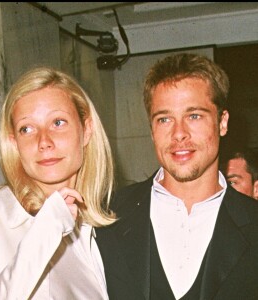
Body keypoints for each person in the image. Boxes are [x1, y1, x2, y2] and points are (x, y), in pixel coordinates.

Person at [95, 53, 258, 300]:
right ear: (152, 130)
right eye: (164, 119)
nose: (179, 133)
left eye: (194, 116)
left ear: (222, 122)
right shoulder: (107, 217)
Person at [0, 66, 116, 299]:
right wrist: (47, 229)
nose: (44, 141)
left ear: (87, 130)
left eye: (58, 123)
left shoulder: (86, 230)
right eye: (27, 128)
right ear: (14, 142)